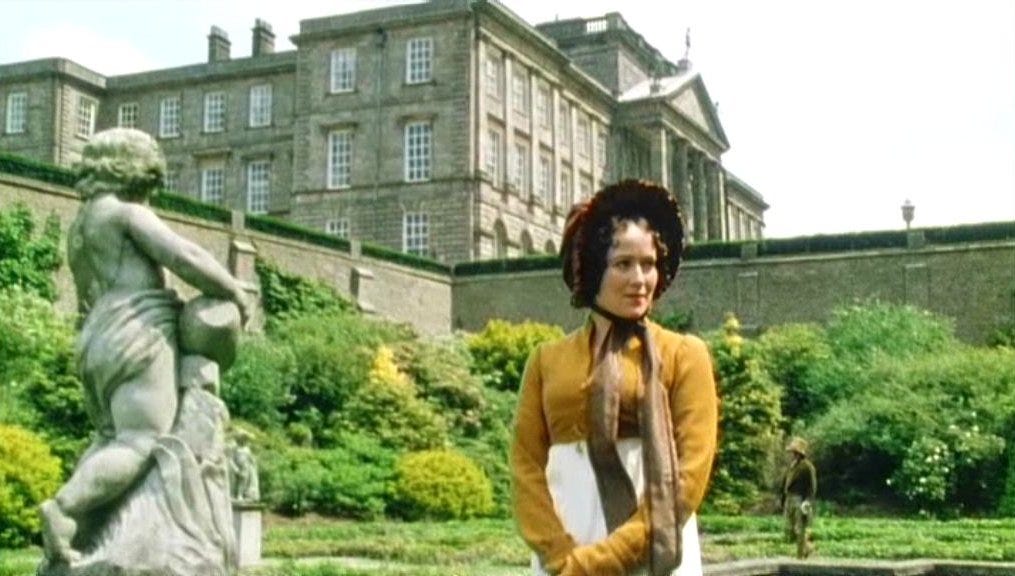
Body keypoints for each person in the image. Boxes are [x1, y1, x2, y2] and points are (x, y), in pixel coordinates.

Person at [39, 128, 251, 564]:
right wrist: (235, 291)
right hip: (138, 327)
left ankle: (88, 531)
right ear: (129, 167)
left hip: (98, 333)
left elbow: (83, 294)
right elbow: (185, 256)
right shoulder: (126, 213)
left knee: (110, 437)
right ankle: (65, 508)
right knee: (140, 440)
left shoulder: (80, 227)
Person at [511, 180, 719, 576]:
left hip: (651, 553)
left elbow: (688, 476)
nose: (640, 279)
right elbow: (525, 467)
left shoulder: (684, 355)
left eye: (648, 264)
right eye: (623, 264)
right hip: (565, 555)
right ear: (592, 268)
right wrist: (559, 555)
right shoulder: (546, 361)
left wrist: (604, 560)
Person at [781, 437, 817, 559]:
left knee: (800, 528)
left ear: (798, 452)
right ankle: (808, 548)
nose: (791, 454)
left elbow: (812, 487)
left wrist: (807, 501)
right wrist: (783, 499)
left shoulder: (807, 467)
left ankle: (800, 555)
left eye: (793, 451)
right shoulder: (792, 466)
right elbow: (786, 483)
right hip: (790, 499)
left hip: (800, 499)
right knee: (790, 528)